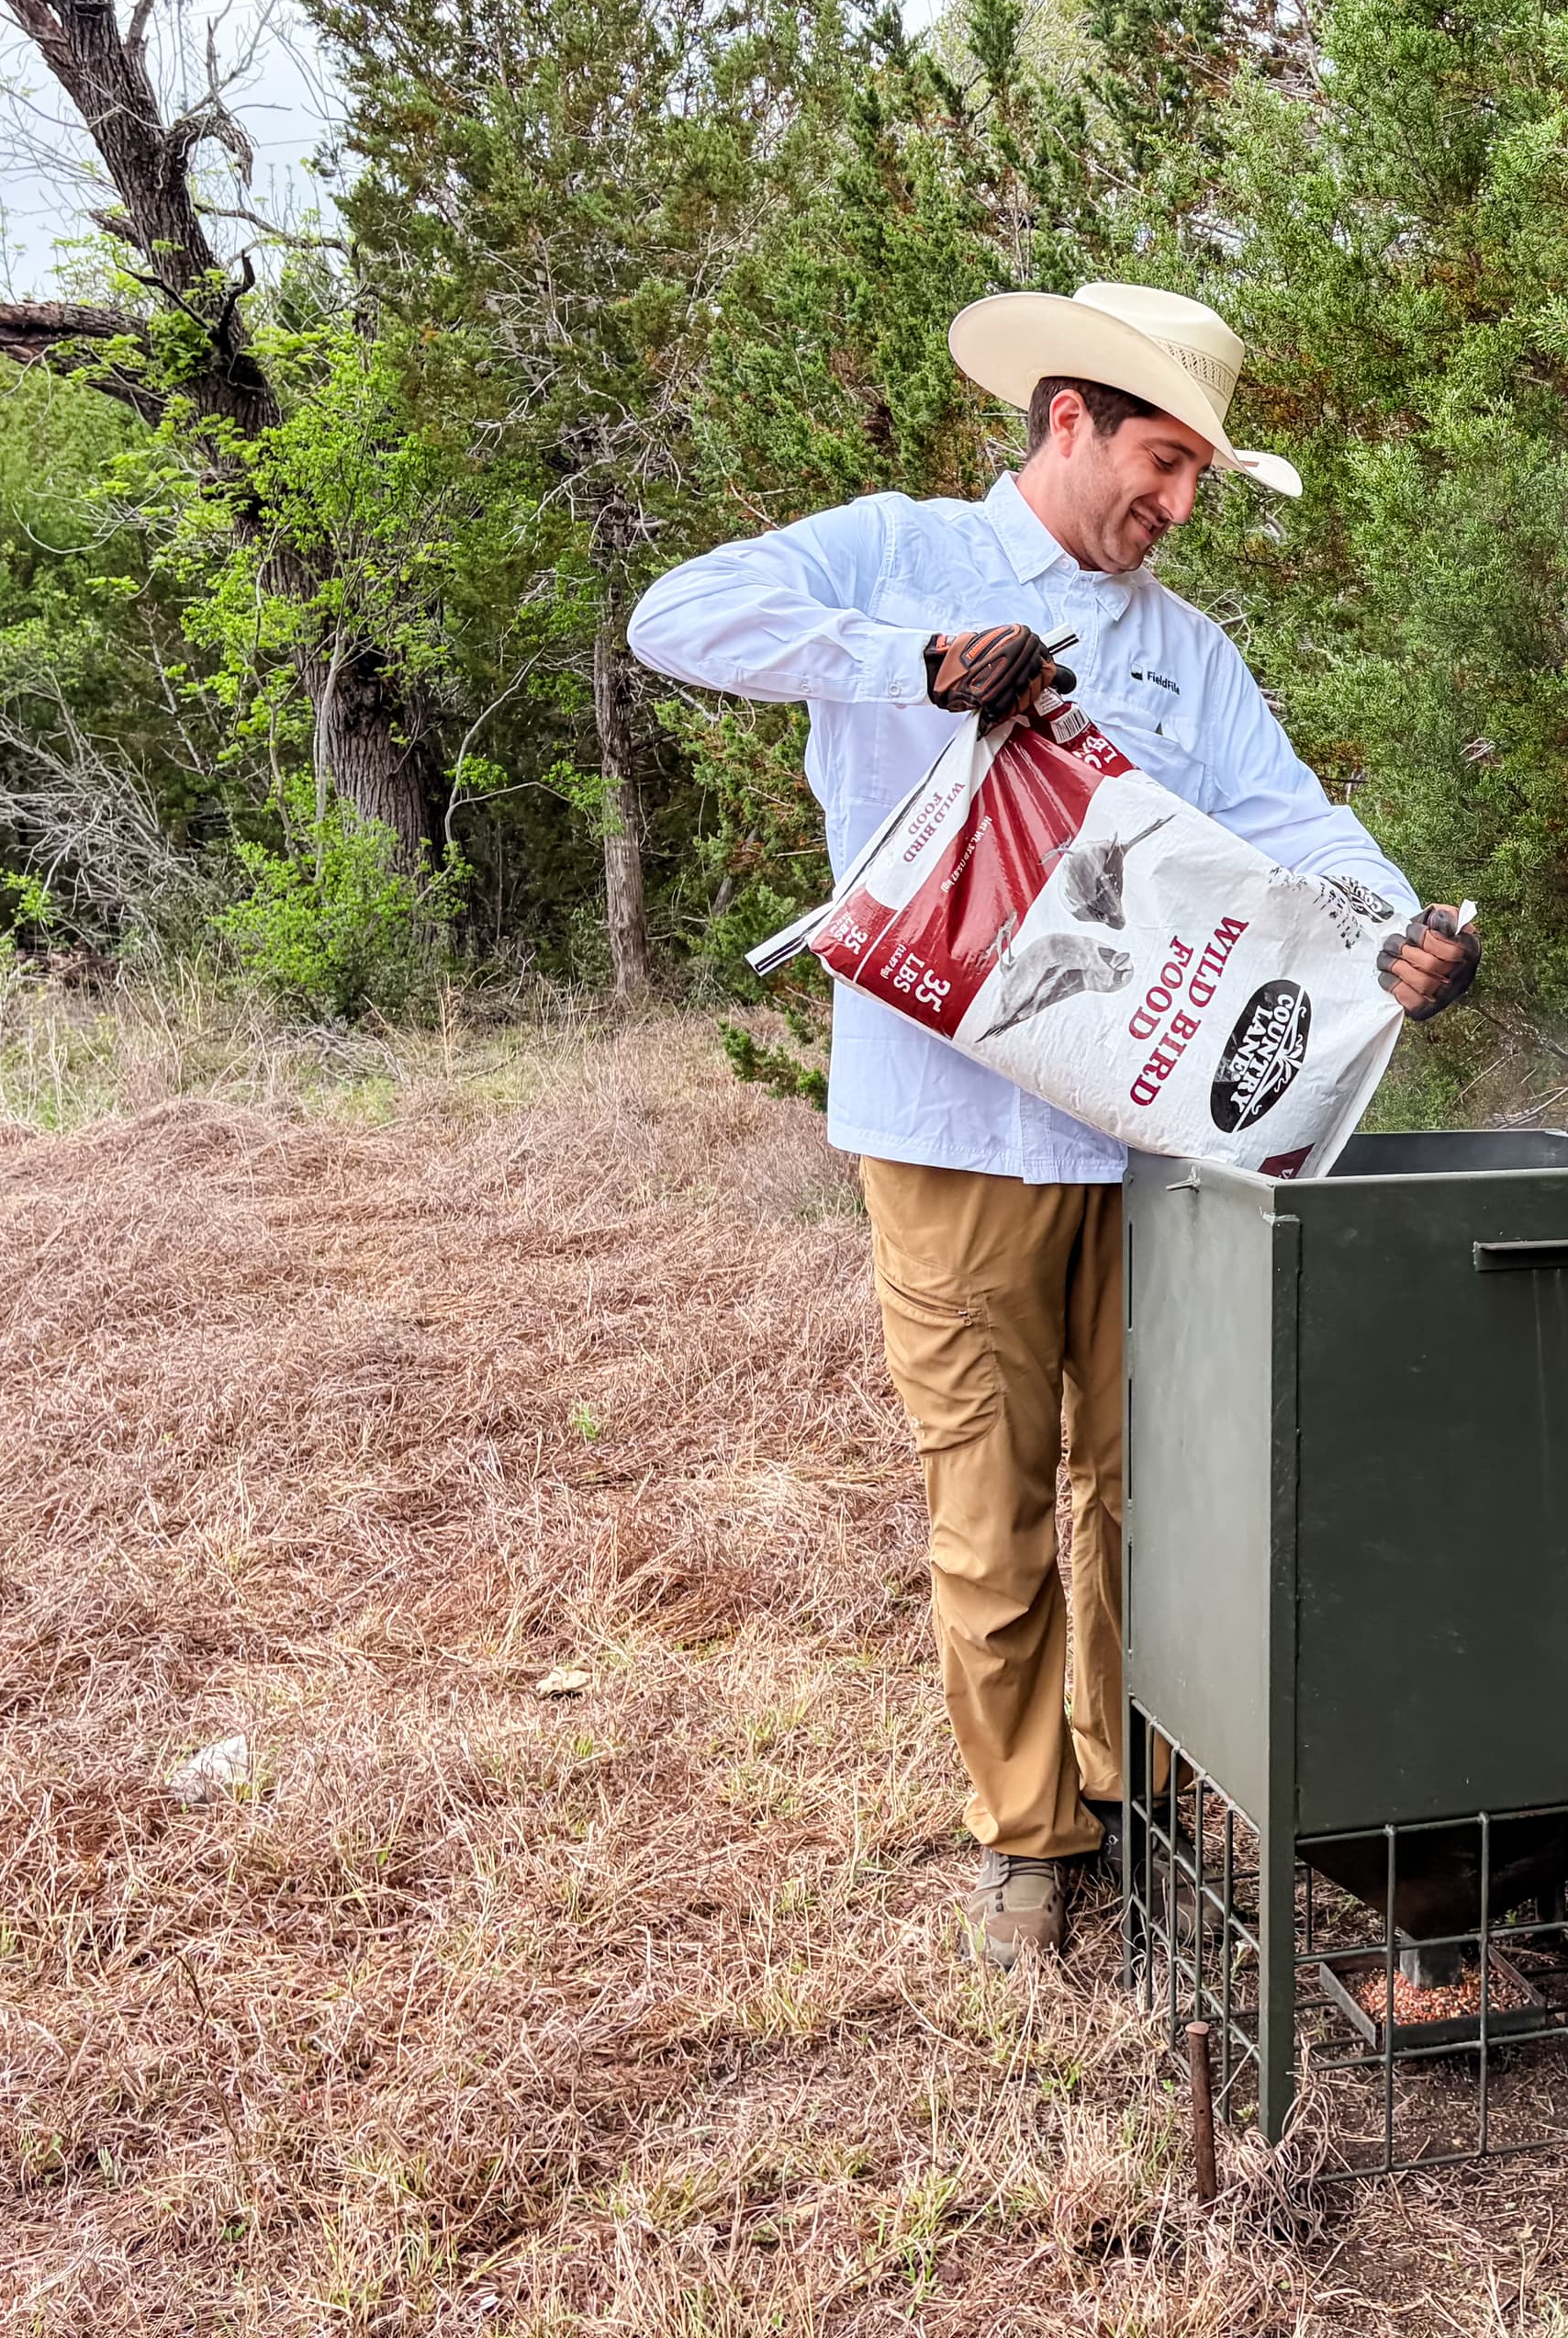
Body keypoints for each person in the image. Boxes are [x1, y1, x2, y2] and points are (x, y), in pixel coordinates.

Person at [629, 282, 1482, 1968]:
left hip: (1150, 1133)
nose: (1175, 506)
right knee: (993, 1499)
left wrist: (1397, 931)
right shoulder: (896, 551)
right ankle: (1029, 1846)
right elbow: (677, 616)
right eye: (1161, 463)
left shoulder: (1183, 646)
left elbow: (1285, 815)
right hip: (952, 1130)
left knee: (1148, 1485)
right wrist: (912, 663)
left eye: (1200, 483)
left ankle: (1136, 1788)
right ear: (1069, 416)